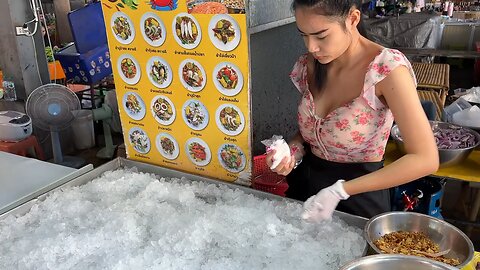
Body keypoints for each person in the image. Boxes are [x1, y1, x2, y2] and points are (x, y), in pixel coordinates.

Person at [266, 0, 439, 222]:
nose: (311, 47)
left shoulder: (386, 69)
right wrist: (292, 151)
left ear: (353, 19)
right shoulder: (312, 63)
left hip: (360, 200)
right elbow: (314, 131)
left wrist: (340, 190)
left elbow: (425, 158)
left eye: (321, 36)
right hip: (306, 191)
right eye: (303, 35)